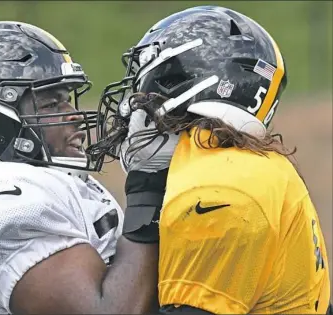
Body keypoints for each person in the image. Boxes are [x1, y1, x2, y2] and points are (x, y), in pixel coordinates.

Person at [92, 5, 332, 314]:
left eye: (146, 82)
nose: (132, 102)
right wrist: (146, 189)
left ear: (184, 82)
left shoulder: (219, 191)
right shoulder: (241, 167)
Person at [0, 21, 164, 314]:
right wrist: (148, 186)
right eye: (50, 104)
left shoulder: (62, 185)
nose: (72, 115)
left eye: (66, 100)